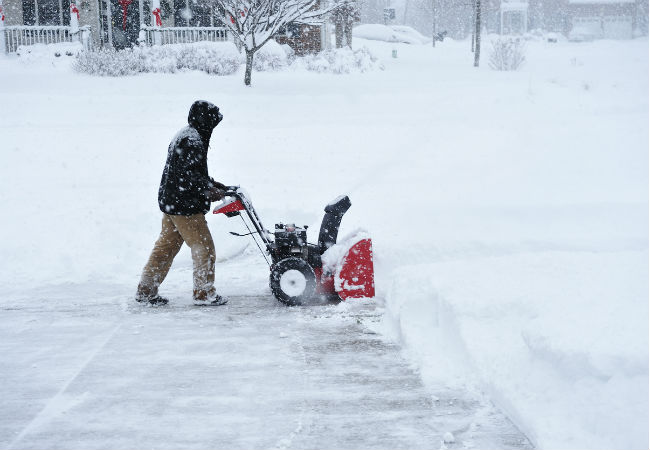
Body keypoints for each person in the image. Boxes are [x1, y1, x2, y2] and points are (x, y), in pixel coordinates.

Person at [135, 100, 228, 306]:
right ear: (205, 120)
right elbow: (188, 177)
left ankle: (146, 289)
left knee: (166, 247)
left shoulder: (186, 135)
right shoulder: (192, 141)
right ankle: (204, 293)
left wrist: (213, 184)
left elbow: (190, 172)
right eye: (212, 122)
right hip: (185, 206)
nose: (213, 126)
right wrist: (208, 190)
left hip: (172, 203)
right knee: (204, 247)